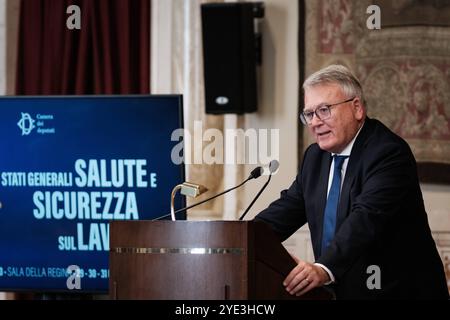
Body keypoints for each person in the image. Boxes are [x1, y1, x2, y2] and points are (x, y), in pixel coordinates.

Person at [254, 64, 449, 299]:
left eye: (324, 110)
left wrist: (322, 268)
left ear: (356, 108)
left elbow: (365, 219)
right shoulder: (315, 158)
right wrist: (240, 239)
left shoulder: (387, 152)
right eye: (309, 114)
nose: (315, 122)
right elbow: (284, 212)